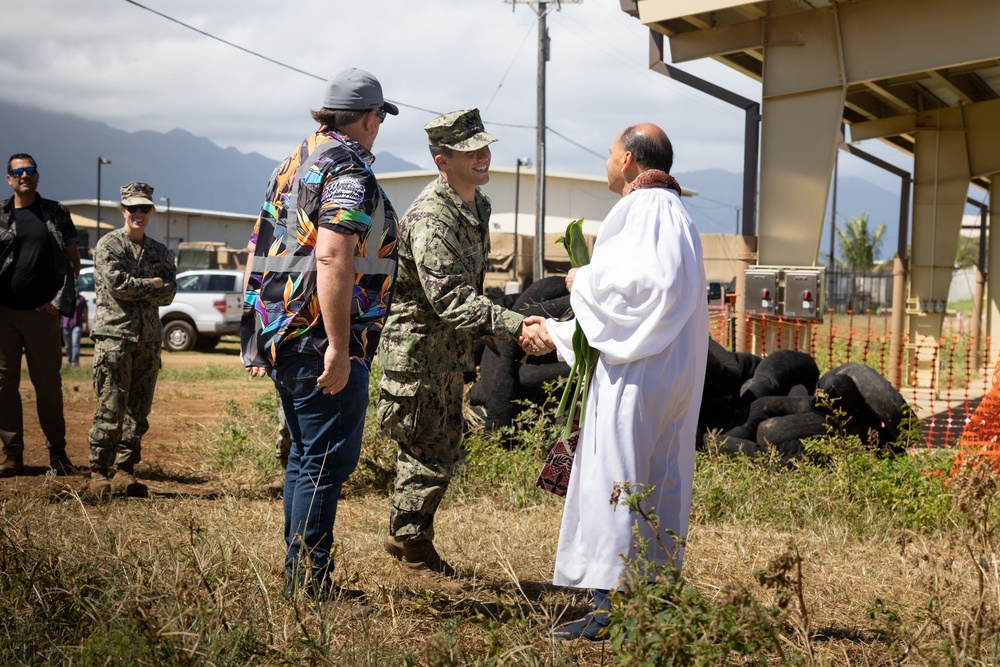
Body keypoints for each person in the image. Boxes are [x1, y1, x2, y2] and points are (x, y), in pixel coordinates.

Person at [520, 124, 709, 641]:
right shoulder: (680, 218)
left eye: (608, 154)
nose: (606, 163)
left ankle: (609, 609)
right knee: (661, 480)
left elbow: (637, 293)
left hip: (635, 374)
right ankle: (656, 604)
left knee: (616, 480)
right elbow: (643, 307)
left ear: (627, 160)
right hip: (669, 369)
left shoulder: (639, 210)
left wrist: (584, 280)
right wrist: (558, 333)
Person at [241, 68, 399, 600]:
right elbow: (334, 253)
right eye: (380, 116)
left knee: (307, 456)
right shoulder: (349, 167)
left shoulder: (294, 162)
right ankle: (308, 582)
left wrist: (256, 335)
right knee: (326, 459)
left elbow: (256, 248)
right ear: (370, 118)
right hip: (322, 335)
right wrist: (337, 345)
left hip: (287, 330)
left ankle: (300, 577)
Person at [376, 109, 537, 578]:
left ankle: (413, 537)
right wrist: (514, 325)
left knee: (442, 450)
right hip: (419, 357)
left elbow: (470, 288)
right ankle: (407, 542)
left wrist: (497, 331)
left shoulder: (476, 207)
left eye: (484, 147)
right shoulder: (432, 218)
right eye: (470, 152)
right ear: (442, 161)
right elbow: (448, 297)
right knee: (426, 452)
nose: (483, 157)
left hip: (448, 354)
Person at [87, 182, 176, 498]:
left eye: (145, 208)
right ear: (122, 209)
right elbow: (119, 286)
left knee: (138, 411)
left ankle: (125, 471)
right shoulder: (109, 246)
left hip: (148, 341)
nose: (138, 213)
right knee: (110, 406)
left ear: (151, 211)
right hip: (115, 338)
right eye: (132, 208)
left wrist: (148, 287)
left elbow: (170, 292)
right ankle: (98, 472)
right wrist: (151, 284)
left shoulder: (159, 251)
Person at [0, 153, 80, 478]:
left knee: (48, 384)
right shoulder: (1, 214)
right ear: (9, 178)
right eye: (18, 172)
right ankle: (11, 455)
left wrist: (57, 304)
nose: (25, 176)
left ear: (37, 176)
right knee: (3, 385)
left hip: (42, 315)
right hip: (3, 314)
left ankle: (58, 454)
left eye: (30, 170)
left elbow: (73, 262)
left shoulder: (56, 212)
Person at [61, 293, 88, 367]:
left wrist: (86, 324)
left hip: (77, 324)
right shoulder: (64, 297)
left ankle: (74, 362)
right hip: (66, 325)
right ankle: (69, 360)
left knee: (75, 343)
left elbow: (85, 311)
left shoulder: (81, 299)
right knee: (67, 345)